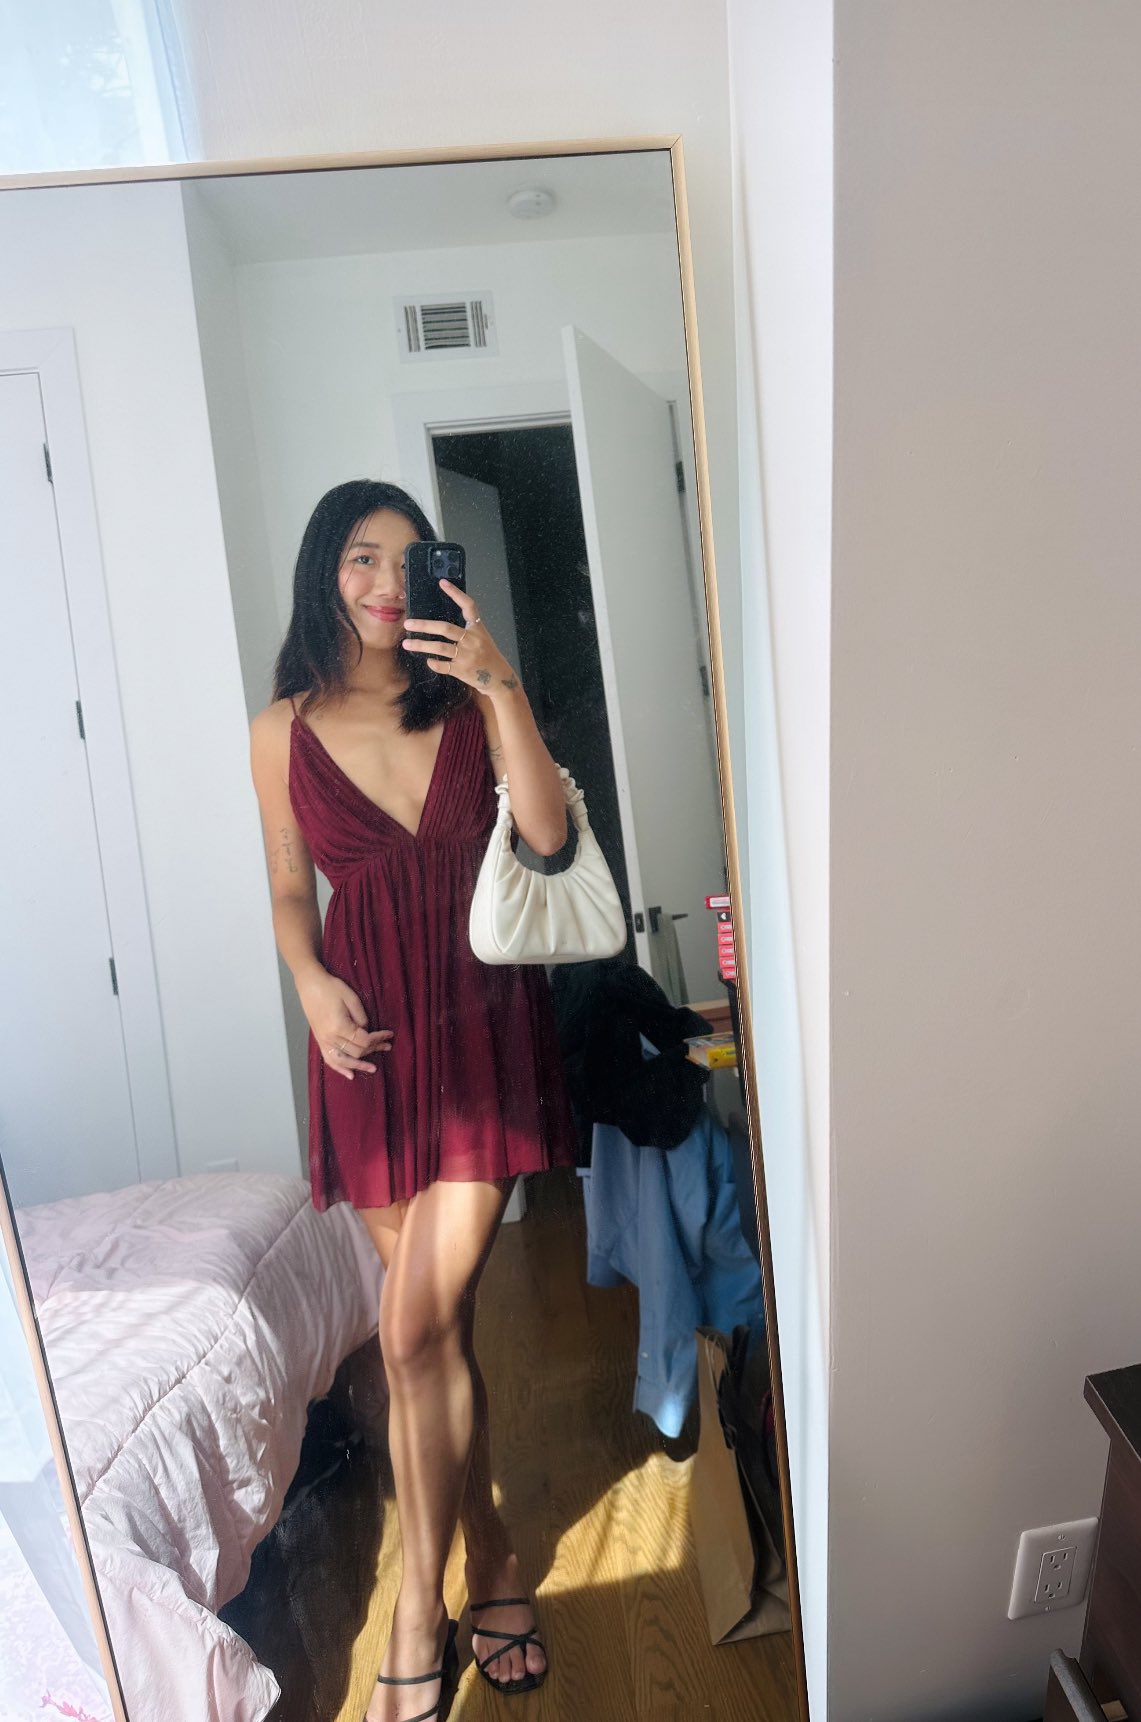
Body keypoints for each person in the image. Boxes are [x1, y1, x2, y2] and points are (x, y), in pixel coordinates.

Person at [250, 480, 576, 1722]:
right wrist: (307, 980)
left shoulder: (470, 700)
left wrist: (500, 680)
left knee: (407, 1332)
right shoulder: (280, 731)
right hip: (370, 1051)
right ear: (323, 576)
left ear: (438, 572)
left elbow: (545, 836)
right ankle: (492, 1553)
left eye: (406, 559)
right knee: (437, 1332)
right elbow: (291, 889)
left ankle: (415, 1615)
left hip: (483, 1032)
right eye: (359, 559)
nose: (387, 585)